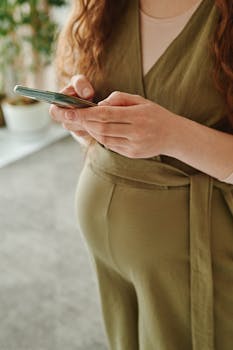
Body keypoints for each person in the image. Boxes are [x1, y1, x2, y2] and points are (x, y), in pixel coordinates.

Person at [49, 0, 233, 349]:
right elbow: (99, 135)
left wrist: (173, 135)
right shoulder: (102, 8)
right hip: (110, 257)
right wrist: (82, 119)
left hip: (196, 259)